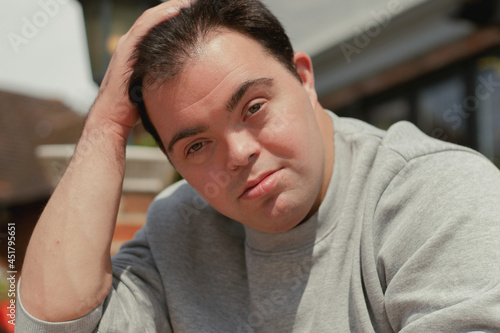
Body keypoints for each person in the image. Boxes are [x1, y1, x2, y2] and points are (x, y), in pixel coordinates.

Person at [16, 0, 500, 331]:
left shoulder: (437, 195)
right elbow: (51, 324)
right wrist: (105, 126)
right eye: (196, 146)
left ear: (305, 80)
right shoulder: (178, 230)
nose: (238, 154)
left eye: (253, 107)